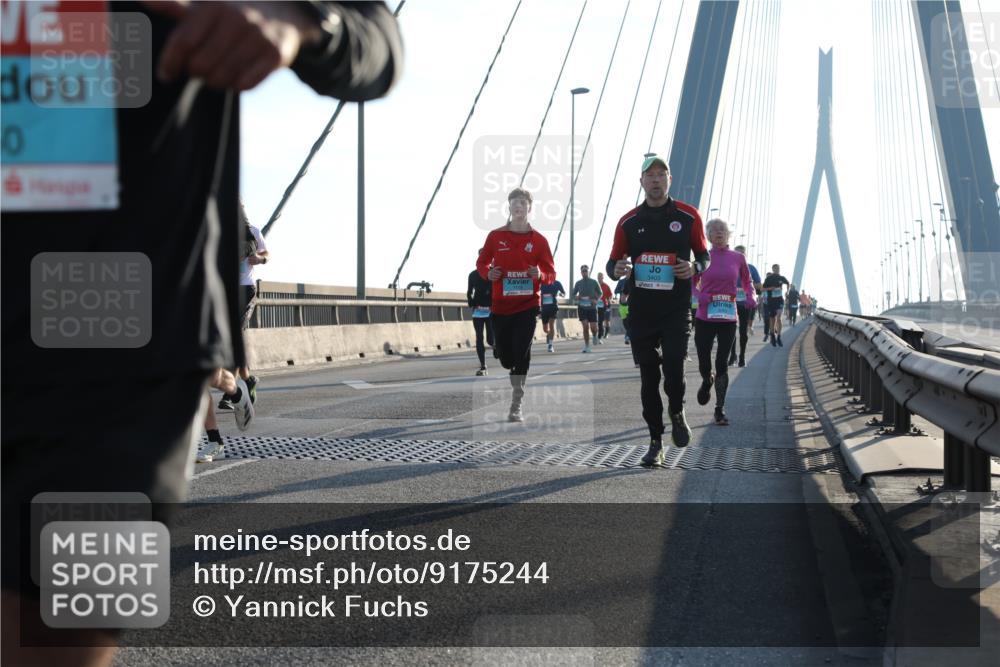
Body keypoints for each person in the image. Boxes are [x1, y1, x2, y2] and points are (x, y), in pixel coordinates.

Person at [1, 3, 402, 666]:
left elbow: (375, 39)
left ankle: (224, 392)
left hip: (122, 336)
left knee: (61, 635)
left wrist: (298, 18)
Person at [607, 155, 710, 465]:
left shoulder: (689, 216)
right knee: (649, 378)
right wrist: (618, 269)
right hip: (641, 310)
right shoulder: (628, 222)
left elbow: (704, 256)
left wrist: (694, 267)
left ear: (670, 180)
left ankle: (676, 410)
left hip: (676, 308)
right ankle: (655, 442)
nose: (655, 179)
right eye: (649, 175)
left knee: (674, 370)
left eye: (660, 174)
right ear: (641, 182)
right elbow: (612, 263)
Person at [476, 188, 556, 422]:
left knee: (522, 351)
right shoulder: (495, 236)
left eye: (522, 202)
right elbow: (482, 262)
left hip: (527, 305)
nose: (518, 206)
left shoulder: (539, 241)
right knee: (506, 359)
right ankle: (505, 356)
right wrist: (488, 273)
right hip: (501, 306)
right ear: (509, 207)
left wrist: (540, 275)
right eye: (514, 203)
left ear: (530, 207)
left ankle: (516, 401)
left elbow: (551, 273)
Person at [693, 220, 756, 425]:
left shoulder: (738, 258)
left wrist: (751, 296)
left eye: (722, 230)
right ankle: (706, 380)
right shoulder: (703, 257)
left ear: (728, 235)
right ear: (708, 235)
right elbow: (691, 284)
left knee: (722, 362)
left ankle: (719, 409)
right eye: (714, 230)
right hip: (705, 315)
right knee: (704, 360)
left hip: (728, 316)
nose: (719, 233)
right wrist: (698, 296)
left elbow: (748, 282)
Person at [221, 206, 268, 409]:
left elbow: (266, 253)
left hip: (246, 290)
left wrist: (260, 259)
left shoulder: (253, 232)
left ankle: (228, 394)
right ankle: (248, 380)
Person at [729, 244, 762, 367]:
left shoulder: (751, 268)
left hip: (745, 304)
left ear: (745, 255)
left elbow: (759, 286)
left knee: (743, 331)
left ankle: (742, 356)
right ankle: (733, 356)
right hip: (730, 303)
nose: (739, 256)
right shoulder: (729, 266)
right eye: (737, 253)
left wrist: (750, 286)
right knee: (731, 330)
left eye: (742, 254)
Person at [467, 257, 494, 375]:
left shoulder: (494, 273)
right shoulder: (472, 275)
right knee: (479, 337)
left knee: (490, 339)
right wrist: (470, 300)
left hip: (491, 310)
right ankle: (483, 366)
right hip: (478, 311)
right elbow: (469, 291)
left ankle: (497, 347)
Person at [572, 265, 602, 353]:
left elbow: (600, 293)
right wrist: (576, 297)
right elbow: (573, 295)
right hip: (582, 307)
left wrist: (596, 300)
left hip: (592, 307)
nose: (584, 272)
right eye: (583, 271)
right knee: (585, 326)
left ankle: (595, 335)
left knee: (593, 327)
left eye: (586, 271)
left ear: (588, 272)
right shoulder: (578, 283)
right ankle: (587, 346)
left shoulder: (594, 282)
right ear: (581, 272)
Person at [762, 264, 790, 347]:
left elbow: (788, 283)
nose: (777, 270)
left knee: (779, 317)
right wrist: (770, 288)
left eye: (778, 268)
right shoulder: (769, 278)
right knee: (772, 318)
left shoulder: (781, 278)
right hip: (771, 301)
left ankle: (779, 336)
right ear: (773, 269)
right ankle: (772, 335)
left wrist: (787, 291)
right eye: (775, 269)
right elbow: (762, 289)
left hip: (779, 300)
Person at [539, 278, 566, 352]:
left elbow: (564, 293)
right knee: (545, 329)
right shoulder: (541, 282)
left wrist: (561, 294)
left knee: (551, 324)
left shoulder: (557, 283)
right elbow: (536, 291)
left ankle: (550, 345)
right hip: (544, 308)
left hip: (553, 307)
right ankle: (549, 334)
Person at [615, 276, 632, 344]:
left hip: (630, 304)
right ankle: (629, 335)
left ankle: (627, 337)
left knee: (629, 321)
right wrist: (623, 290)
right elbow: (615, 290)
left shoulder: (633, 280)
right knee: (625, 323)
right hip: (622, 305)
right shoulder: (621, 281)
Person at [597, 272, 613, 341]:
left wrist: (609, 300)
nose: (600, 278)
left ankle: (606, 332)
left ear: (603, 278)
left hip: (605, 305)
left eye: (601, 277)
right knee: (600, 320)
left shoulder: (606, 286)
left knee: (606, 320)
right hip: (597, 305)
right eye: (598, 277)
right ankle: (601, 333)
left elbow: (610, 295)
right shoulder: (595, 285)